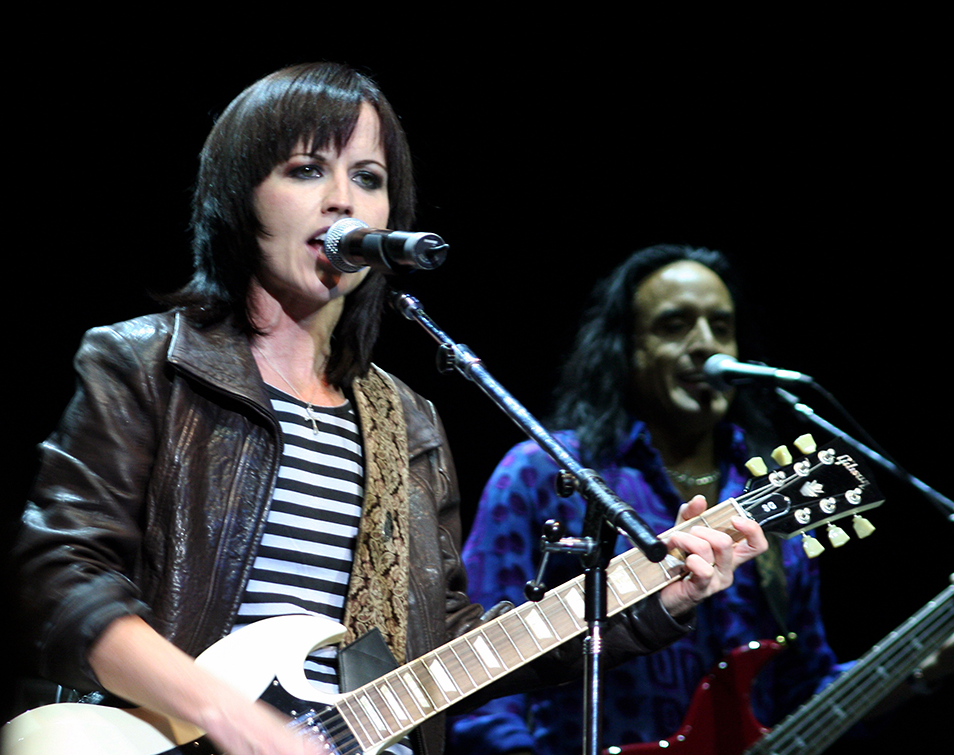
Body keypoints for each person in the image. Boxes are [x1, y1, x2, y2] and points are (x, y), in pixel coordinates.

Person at [10, 67, 768, 755]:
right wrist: (234, 719)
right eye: (307, 169)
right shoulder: (144, 363)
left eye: (367, 178)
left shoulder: (408, 420)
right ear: (239, 198)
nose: (343, 199)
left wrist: (648, 598)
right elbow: (63, 577)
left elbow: (446, 643)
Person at [447, 244, 954, 755]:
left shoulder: (774, 496)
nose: (706, 344)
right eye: (674, 325)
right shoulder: (549, 473)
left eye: (721, 326)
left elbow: (805, 691)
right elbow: (478, 667)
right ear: (626, 351)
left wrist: (931, 663)